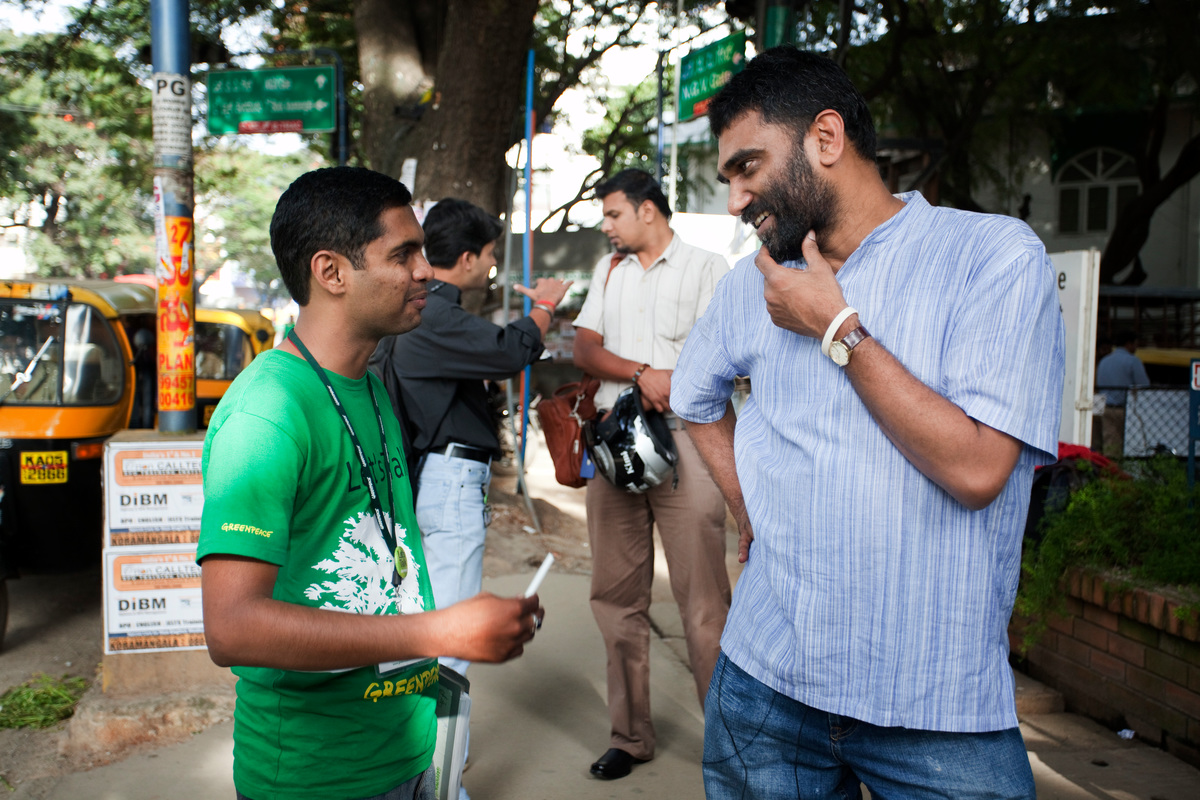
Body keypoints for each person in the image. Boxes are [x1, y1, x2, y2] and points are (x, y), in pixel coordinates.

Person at [670, 49, 1064, 799]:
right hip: (765, 681)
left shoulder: (991, 258)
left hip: (933, 711)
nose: (735, 200)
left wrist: (838, 327)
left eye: (748, 167)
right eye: (727, 179)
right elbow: (695, 397)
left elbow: (979, 471)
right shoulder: (752, 282)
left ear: (826, 137)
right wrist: (750, 505)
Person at [197, 167, 543, 800]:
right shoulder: (268, 413)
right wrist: (438, 632)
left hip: (408, 750)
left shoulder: (371, 389)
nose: (425, 272)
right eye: (403, 254)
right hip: (318, 774)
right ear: (331, 273)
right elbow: (232, 626)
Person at [369, 198, 569, 790]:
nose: (490, 268)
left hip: (419, 482)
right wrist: (544, 310)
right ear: (464, 258)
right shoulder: (432, 314)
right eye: (487, 257)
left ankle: (424, 769)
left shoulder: (408, 318)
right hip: (448, 483)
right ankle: (439, 787)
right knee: (449, 643)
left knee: (417, 636)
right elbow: (509, 350)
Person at [572, 168, 732, 781]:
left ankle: (727, 741)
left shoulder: (706, 266)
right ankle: (630, 736)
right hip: (617, 442)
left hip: (688, 440)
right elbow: (585, 348)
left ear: (647, 210)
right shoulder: (608, 270)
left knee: (703, 601)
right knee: (615, 597)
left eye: (613, 214)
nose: (606, 226)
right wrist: (643, 371)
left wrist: (675, 381)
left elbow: (723, 352)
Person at [1095, 330, 1149, 458]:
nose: (1136, 348)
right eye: (1135, 344)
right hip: (1126, 410)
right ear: (1129, 344)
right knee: (1132, 445)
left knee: (1110, 445)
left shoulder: (1104, 361)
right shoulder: (1133, 361)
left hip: (1105, 408)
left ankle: (1110, 473)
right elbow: (1144, 385)